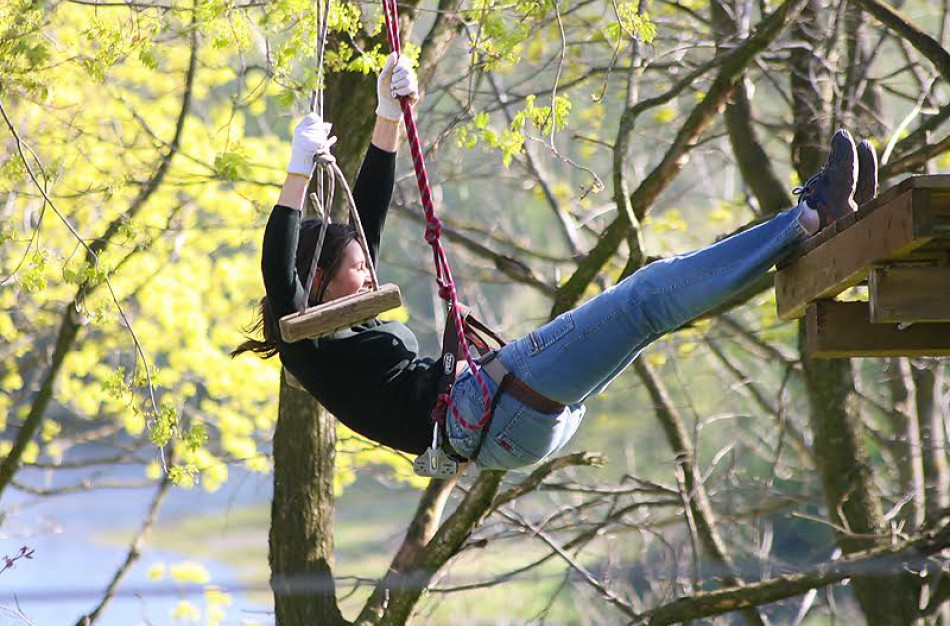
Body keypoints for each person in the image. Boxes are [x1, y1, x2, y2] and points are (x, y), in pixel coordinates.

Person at [233, 53, 877, 472]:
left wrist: (384, 114)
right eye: (357, 270)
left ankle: (815, 226)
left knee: (649, 313)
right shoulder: (306, 341)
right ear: (315, 281)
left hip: (502, 421)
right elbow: (277, 264)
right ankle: (810, 218)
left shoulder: (348, 324)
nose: (369, 276)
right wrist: (295, 173)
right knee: (646, 296)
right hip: (482, 412)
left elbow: (367, 209)